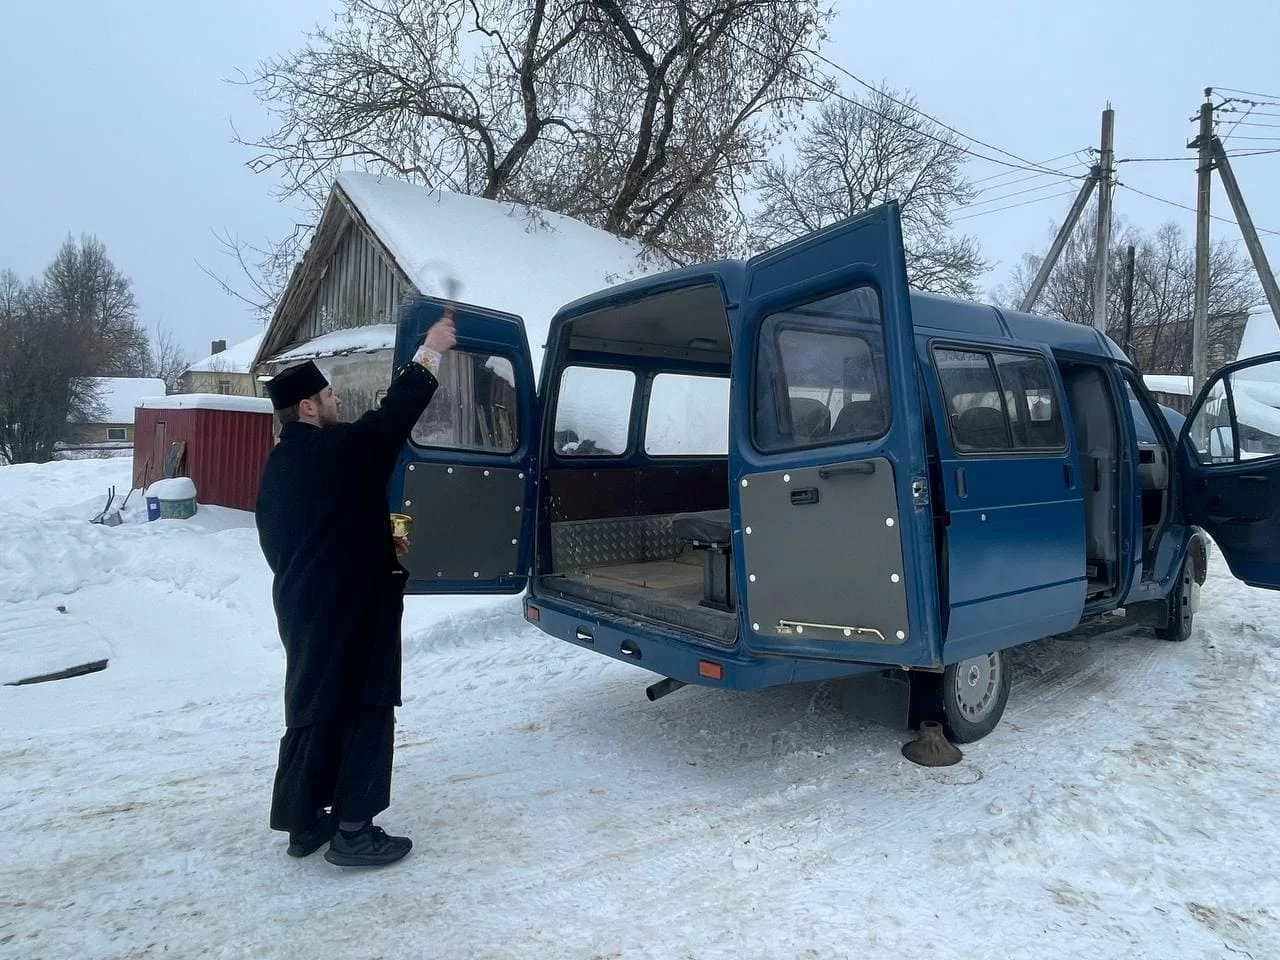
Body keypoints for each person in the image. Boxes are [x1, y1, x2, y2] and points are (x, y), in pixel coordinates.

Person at [255, 308, 456, 868]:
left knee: (313, 708)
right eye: (330, 397)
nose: (338, 402)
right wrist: (430, 351)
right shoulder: (337, 451)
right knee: (366, 706)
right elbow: (392, 418)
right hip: (354, 609)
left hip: (302, 608)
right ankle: (353, 831)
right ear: (307, 407)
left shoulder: (280, 465)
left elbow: (298, 535)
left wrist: (370, 540)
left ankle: (303, 823)